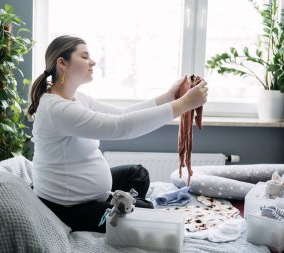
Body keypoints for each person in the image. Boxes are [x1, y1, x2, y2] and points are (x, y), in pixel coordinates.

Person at [28, 35, 208, 233]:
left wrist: (168, 97)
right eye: (85, 56)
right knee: (146, 210)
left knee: (137, 174)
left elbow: (122, 114)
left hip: (94, 194)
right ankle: (122, 209)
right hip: (69, 208)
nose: (92, 61)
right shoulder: (56, 109)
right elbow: (121, 126)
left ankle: (120, 205)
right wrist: (184, 104)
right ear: (62, 63)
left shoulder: (77, 98)